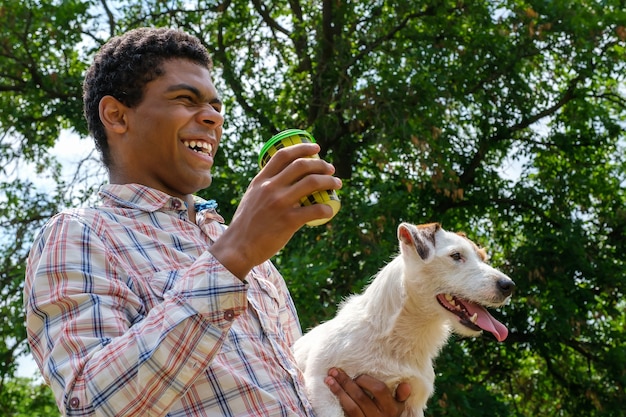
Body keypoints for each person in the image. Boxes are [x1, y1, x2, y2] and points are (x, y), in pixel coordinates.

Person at [24, 27, 410, 416]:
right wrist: (233, 255)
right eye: (185, 99)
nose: (212, 118)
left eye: (216, 106)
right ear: (117, 115)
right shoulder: (78, 233)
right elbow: (89, 405)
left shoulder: (246, 252)